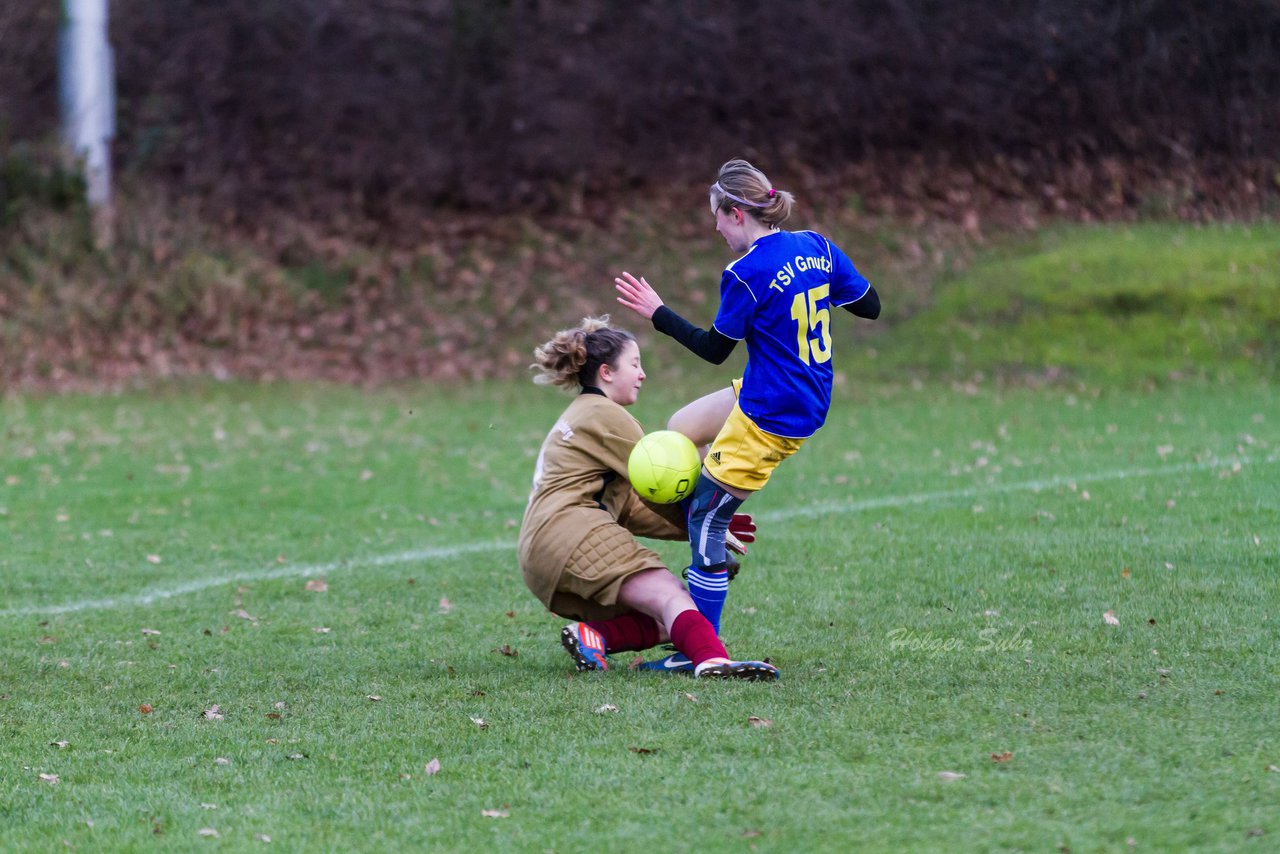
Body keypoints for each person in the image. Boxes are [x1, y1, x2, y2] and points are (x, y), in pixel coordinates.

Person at [615, 158, 881, 635]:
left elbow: (715, 351)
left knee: (705, 520)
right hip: (786, 390)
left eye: (717, 215)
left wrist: (658, 313)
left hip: (773, 412)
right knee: (681, 429)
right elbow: (870, 306)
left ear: (737, 212)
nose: (715, 226)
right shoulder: (817, 246)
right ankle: (712, 533)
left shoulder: (746, 272)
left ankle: (699, 639)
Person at [518, 315, 779, 681]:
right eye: (635, 365)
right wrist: (706, 523)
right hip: (572, 533)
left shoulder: (583, 414)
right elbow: (665, 477)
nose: (642, 375)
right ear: (606, 372)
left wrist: (698, 529)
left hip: (541, 551)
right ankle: (713, 662)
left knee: (673, 617)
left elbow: (633, 505)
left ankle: (592, 637)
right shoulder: (605, 414)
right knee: (671, 595)